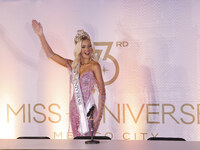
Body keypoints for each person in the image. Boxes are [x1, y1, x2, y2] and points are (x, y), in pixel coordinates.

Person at [32, 20, 106, 137]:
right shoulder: (73, 65)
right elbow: (51, 55)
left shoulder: (94, 66)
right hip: (74, 110)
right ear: (78, 49)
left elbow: (102, 91)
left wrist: (99, 116)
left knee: (89, 143)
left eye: (89, 46)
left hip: (89, 111)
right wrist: (41, 35)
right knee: (77, 144)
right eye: (83, 47)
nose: (87, 49)